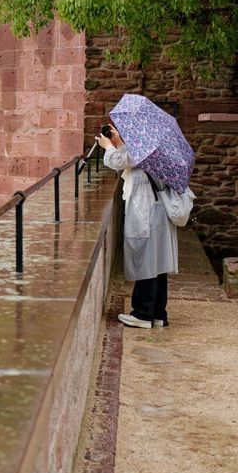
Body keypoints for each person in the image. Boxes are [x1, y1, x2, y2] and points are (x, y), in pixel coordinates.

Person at [97, 124, 179, 328]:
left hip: (146, 210)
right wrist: (120, 143)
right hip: (158, 210)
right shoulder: (157, 147)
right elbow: (133, 160)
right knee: (158, 261)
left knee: (145, 259)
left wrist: (108, 146)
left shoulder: (146, 147)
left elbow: (119, 162)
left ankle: (143, 313)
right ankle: (158, 313)